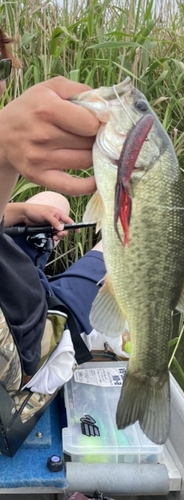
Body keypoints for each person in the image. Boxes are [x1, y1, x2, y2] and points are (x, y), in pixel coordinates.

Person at [0, 25, 108, 455]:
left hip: (11, 280)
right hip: (31, 336)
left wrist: (14, 212)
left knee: (50, 197)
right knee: (116, 250)